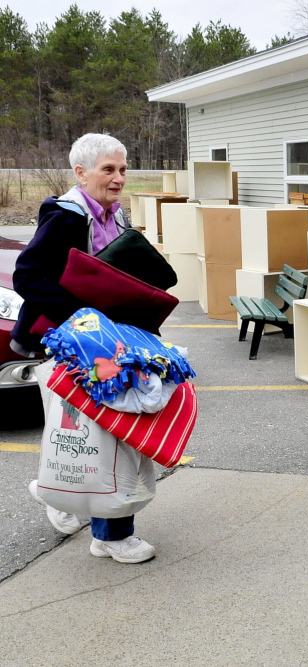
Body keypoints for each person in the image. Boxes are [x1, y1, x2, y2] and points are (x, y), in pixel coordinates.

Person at [12, 132, 156, 564]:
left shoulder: (116, 216)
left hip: (106, 339)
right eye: (108, 170)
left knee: (89, 434)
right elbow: (28, 277)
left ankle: (60, 494)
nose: (118, 179)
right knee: (106, 433)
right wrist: (84, 314)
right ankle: (110, 534)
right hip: (74, 341)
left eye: (123, 170)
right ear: (81, 172)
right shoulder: (67, 217)